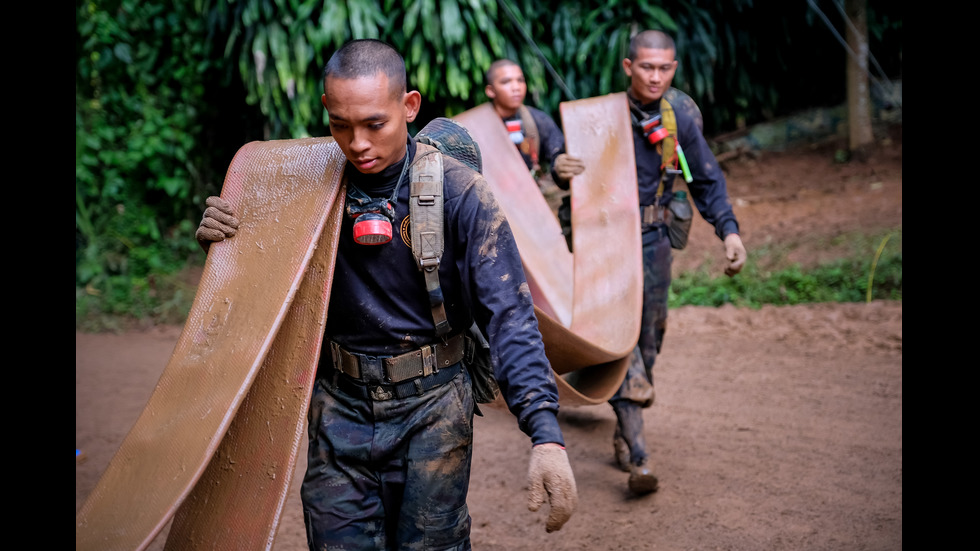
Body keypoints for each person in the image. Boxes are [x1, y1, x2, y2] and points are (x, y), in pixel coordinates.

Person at [195, 39, 577, 550]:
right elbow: (261, 294)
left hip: (434, 407)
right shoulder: (305, 186)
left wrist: (545, 433)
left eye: (375, 124)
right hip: (340, 407)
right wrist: (228, 248)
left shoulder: (460, 194)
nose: (357, 144)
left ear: (409, 106)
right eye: (340, 126)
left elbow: (509, 315)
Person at [555, 30, 748, 496]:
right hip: (605, 243)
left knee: (651, 336)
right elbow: (565, 170)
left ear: (673, 69)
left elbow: (706, 178)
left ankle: (626, 421)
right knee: (621, 341)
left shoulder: (678, 116)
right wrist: (560, 168)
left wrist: (730, 231)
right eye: (646, 67)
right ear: (628, 68)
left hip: (656, 238)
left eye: (664, 68)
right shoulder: (598, 116)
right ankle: (640, 454)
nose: (656, 76)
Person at [483, 58, 584, 249]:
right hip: (496, 213)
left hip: (535, 210)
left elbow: (557, 154)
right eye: (506, 82)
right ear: (490, 90)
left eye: (520, 80)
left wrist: (560, 164)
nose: (516, 87)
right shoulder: (479, 125)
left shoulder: (538, 120)